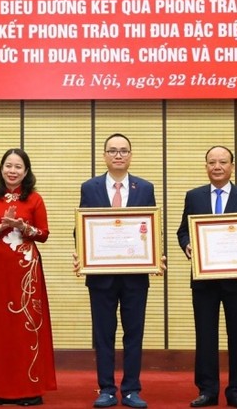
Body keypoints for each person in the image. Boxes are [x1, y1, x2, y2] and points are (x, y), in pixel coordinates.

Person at [176, 146, 237, 409]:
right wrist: (188, 245)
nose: (217, 166)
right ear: (206, 166)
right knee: (205, 335)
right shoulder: (194, 196)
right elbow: (183, 231)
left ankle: (236, 391)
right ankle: (207, 390)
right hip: (204, 280)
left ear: (232, 166)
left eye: (223, 162)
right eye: (212, 162)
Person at [0, 148, 57, 407]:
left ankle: (29, 389)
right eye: (8, 165)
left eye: (18, 167)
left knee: (27, 327)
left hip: (26, 271)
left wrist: (24, 227)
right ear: (1, 169)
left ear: (26, 171)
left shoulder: (35, 199)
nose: (12, 170)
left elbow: (43, 234)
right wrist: (1, 227)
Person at [77, 133, 156, 409]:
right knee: (103, 334)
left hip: (135, 276)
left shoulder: (145, 188)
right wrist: (82, 252)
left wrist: (156, 255)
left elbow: (151, 228)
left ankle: (132, 389)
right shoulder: (90, 187)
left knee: (134, 333)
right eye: (112, 150)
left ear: (131, 155)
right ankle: (107, 389)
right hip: (101, 277)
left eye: (123, 150)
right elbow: (82, 226)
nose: (118, 155)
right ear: (104, 156)